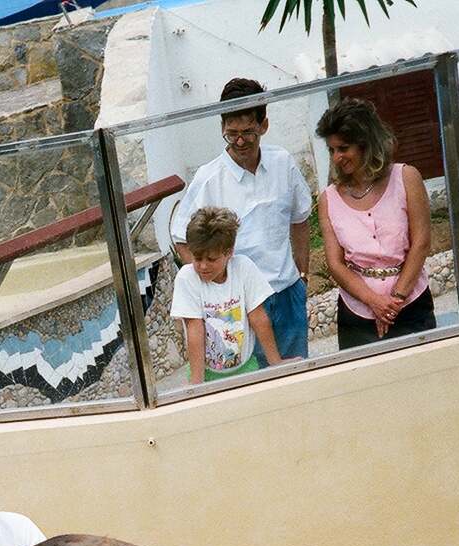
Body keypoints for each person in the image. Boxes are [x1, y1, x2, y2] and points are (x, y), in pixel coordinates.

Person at [170, 77, 313, 362]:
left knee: (299, 380)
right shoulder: (208, 179)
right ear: (222, 127)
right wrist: (216, 288)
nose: (239, 141)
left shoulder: (283, 162)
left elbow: (301, 219)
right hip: (239, 307)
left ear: (264, 126)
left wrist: (302, 275)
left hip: (287, 295)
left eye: (248, 132)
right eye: (231, 132)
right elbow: (180, 238)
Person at [315, 97, 437, 349]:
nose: (336, 157)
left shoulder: (406, 178)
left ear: (366, 144)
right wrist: (373, 301)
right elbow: (335, 264)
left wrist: (393, 301)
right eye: (331, 150)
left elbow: (421, 243)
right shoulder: (329, 199)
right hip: (357, 312)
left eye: (344, 148)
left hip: (411, 303)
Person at [170, 206, 282, 384]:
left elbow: (258, 318)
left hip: (245, 367)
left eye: (211, 259)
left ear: (229, 252)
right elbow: (194, 328)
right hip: (205, 373)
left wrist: (276, 364)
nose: (203, 266)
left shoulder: (244, 268)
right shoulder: (187, 278)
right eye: (197, 258)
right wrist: (197, 382)